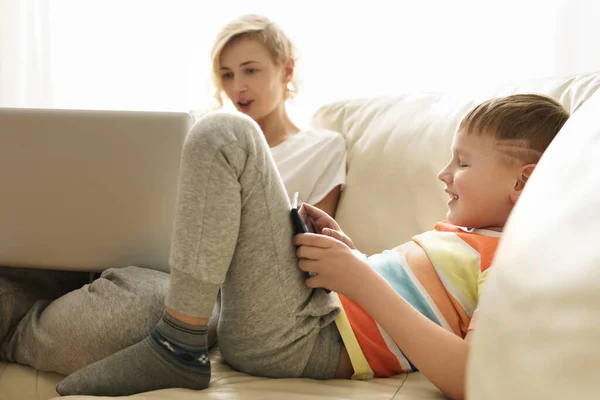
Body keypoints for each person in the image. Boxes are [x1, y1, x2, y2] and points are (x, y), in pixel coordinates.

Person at [56, 93, 570, 400]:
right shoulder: (466, 237)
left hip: (307, 339)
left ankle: (178, 344)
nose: (444, 174)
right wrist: (349, 254)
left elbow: (467, 377)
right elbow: (403, 303)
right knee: (121, 279)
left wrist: (360, 280)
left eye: (461, 162)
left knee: (228, 134)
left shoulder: (513, 262)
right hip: (315, 313)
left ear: (523, 183)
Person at [0, 14, 345, 375]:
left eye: (250, 70)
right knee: (25, 268)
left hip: (207, 293)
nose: (237, 86)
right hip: (133, 254)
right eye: (227, 74)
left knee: (142, 308)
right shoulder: (196, 134)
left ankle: (14, 331)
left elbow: (311, 260)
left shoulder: (322, 148)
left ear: (286, 70)